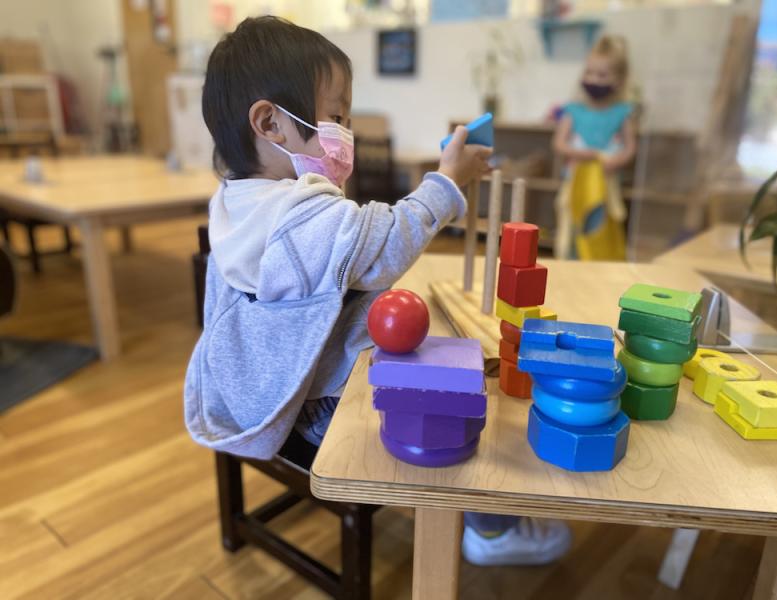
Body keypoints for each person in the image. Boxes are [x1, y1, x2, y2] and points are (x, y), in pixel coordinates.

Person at [184, 15, 568, 568]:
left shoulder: (237, 202)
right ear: (269, 122)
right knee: (456, 402)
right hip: (319, 409)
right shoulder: (297, 219)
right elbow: (385, 242)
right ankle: (489, 527)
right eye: (336, 116)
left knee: (439, 349)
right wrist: (447, 182)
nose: (347, 131)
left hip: (274, 383)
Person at [552, 34, 637, 261]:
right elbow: (559, 143)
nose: (593, 79)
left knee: (598, 229)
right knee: (572, 230)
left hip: (605, 185)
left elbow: (630, 148)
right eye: (589, 72)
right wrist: (585, 154)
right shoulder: (574, 110)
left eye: (602, 75)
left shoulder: (622, 112)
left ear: (618, 80)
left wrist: (615, 160)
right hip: (575, 183)